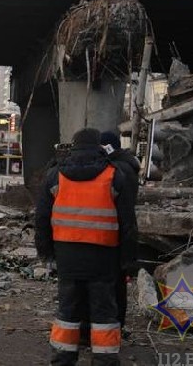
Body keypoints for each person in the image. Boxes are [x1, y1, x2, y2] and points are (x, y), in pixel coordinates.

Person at [35, 128, 138, 366]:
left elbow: (41, 218)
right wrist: (128, 260)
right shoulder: (114, 175)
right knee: (103, 312)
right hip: (104, 257)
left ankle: (63, 358)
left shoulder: (55, 175)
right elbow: (127, 224)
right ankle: (103, 360)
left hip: (67, 257)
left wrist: (46, 252)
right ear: (99, 146)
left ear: (73, 145)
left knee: (68, 310)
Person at [100, 131, 140, 329]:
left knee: (113, 285)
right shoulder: (128, 166)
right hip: (121, 232)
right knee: (117, 285)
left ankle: (113, 326)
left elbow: (122, 209)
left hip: (114, 234)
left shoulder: (118, 170)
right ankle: (117, 324)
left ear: (107, 147)